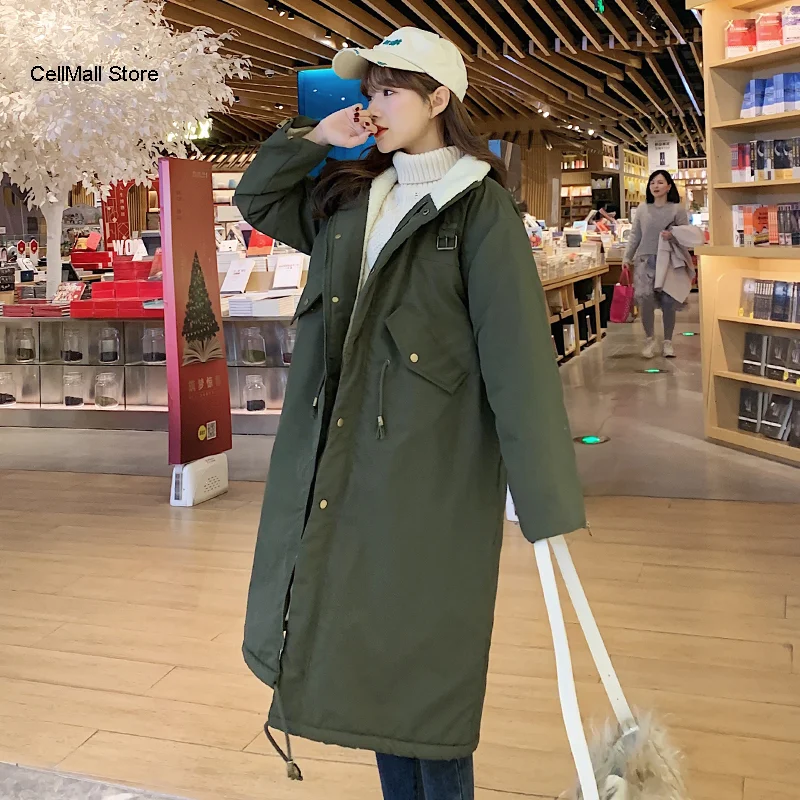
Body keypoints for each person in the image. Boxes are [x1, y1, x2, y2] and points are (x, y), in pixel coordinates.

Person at [234, 26, 585, 800]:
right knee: (376, 670)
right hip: (344, 468)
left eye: (391, 90)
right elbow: (257, 199)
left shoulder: (477, 209)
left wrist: (544, 499)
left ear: (438, 99)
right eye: (369, 92)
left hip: (430, 478)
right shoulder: (352, 199)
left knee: (427, 679)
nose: (374, 105)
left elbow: (518, 357)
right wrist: (314, 137)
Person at [623, 170, 689, 359]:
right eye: (652, 182)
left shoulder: (677, 209)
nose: (655, 186)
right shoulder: (642, 209)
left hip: (669, 261)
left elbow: (686, 234)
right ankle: (649, 339)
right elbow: (635, 234)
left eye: (660, 182)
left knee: (669, 302)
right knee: (645, 300)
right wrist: (627, 257)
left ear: (668, 186)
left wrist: (673, 235)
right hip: (645, 260)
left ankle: (667, 342)